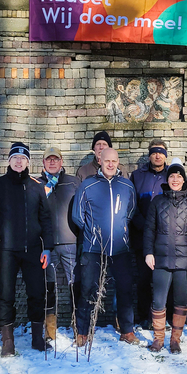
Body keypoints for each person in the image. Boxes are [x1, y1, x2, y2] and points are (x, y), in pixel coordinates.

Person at [0, 143, 55, 355]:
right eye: (15, 158)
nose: (19, 162)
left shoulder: (37, 187)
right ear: (9, 160)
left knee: (37, 294)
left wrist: (47, 247)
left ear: (28, 162)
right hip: (5, 252)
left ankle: (37, 339)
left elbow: (46, 219)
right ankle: (8, 342)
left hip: (33, 250)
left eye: (23, 158)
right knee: (6, 295)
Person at [71, 147, 139, 346]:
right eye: (107, 161)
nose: (110, 164)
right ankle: (83, 332)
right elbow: (78, 215)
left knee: (125, 289)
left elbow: (130, 212)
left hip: (120, 249)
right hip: (93, 249)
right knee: (88, 290)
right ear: (99, 160)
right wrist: (94, 233)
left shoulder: (126, 186)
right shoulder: (87, 185)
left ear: (118, 163)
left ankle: (127, 330)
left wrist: (120, 232)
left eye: (114, 161)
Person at [144, 162, 187, 353]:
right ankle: (158, 339)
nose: (175, 180)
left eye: (179, 177)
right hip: (160, 259)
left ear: (184, 180)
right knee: (158, 301)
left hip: (184, 261)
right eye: (171, 177)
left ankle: (175, 340)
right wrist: (148, 252)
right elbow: (149, 230)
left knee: (180, 301)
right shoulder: (157, 202)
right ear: (167, 180)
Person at [37, 146, 81, 340]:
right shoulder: (36, 184)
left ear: (61, 162)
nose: (52, 162)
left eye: (56, 159)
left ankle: (79, 327)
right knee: (49, 287)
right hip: (46, 245)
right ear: (44, 163)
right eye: (49, 159)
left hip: (70, 242)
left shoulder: (73, 182)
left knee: (75, 286)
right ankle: (50, 331)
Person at [130, 139, 170, 329]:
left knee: (164, 280)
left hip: (165, 239)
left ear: (165, 155)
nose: (157, 155)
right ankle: (144, 317)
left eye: (161, 152)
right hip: (141, 237)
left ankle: (165, 318)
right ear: (149, 154)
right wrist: (145, 227)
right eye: (154, 152)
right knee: (144, 280)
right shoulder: (137, 176)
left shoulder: (172, 175)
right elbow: (131, 205)